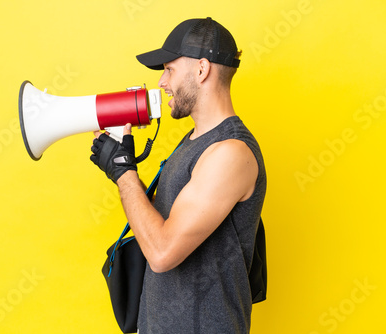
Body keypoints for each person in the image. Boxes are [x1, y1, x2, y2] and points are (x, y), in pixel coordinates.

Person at [91, 17, 266, 334]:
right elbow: (164, 220)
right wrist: (119, 165)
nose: (161, 81)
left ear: (202, 70)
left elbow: (161, 253)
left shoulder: (230, 153)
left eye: (169, 69)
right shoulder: (193, 143)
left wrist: (123, 173)